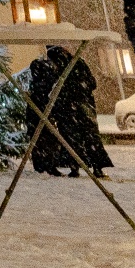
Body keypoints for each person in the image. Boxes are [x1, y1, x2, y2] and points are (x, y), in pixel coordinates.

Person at [28, 45, 114, 179]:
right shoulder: (75, 64)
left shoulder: (64, 67)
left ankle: (78, 167)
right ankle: (93, 167)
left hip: (70, 110)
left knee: (74, 139)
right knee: (85, 138)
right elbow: (91, 83)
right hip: (78, 109)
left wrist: (69, 96)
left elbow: (87, 83)